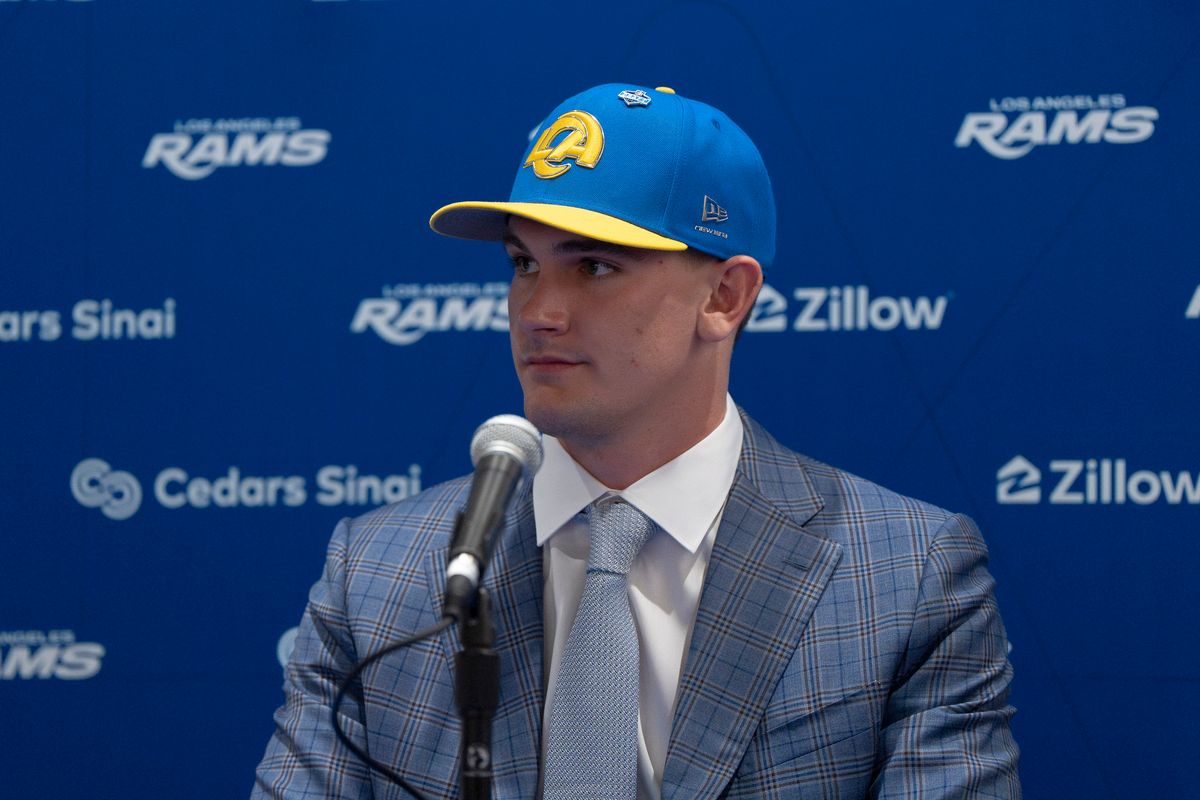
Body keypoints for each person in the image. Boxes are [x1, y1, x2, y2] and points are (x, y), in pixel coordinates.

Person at [252, 83, 1020, 799]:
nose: (538, 312)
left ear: (725, 297)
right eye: (523, 263)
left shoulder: (906, 577)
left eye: (593, 266)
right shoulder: (374, 574)